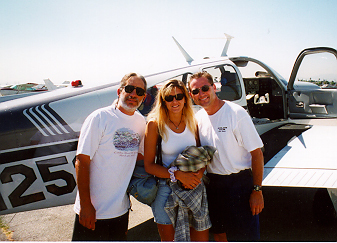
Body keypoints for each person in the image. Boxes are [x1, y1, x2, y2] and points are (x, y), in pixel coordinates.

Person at [188, 72, 264, 242]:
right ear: (191, 95)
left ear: (214, 88)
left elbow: (256, 153)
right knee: (219, 233)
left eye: (205, 88)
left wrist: (257, 190)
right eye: (195, 91)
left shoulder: (236, 113)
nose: (201, 94)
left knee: (245, 236)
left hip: (240, 184)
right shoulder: (198, 118)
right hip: (214, 185)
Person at [72, 73, 147, 241]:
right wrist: (85, 205)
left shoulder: (141, 122)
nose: (134, 94)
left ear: (144, 97)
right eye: (129, 89)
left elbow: (139, 159)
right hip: (93, 211)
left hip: (121, 210)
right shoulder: (100, 117)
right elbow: (81, 161)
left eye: (139, 92)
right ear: (120, 91)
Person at [144, 79, 211, 241]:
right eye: (169, 98)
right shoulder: (154, 125)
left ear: (185, 98)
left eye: (179, 96)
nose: (175, 101)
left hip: (194, 187)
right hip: (166, 190)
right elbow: (149, 166)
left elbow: (202, 154)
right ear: (163, 101)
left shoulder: (193, 122)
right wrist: (178, 175)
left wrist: (197, 176)